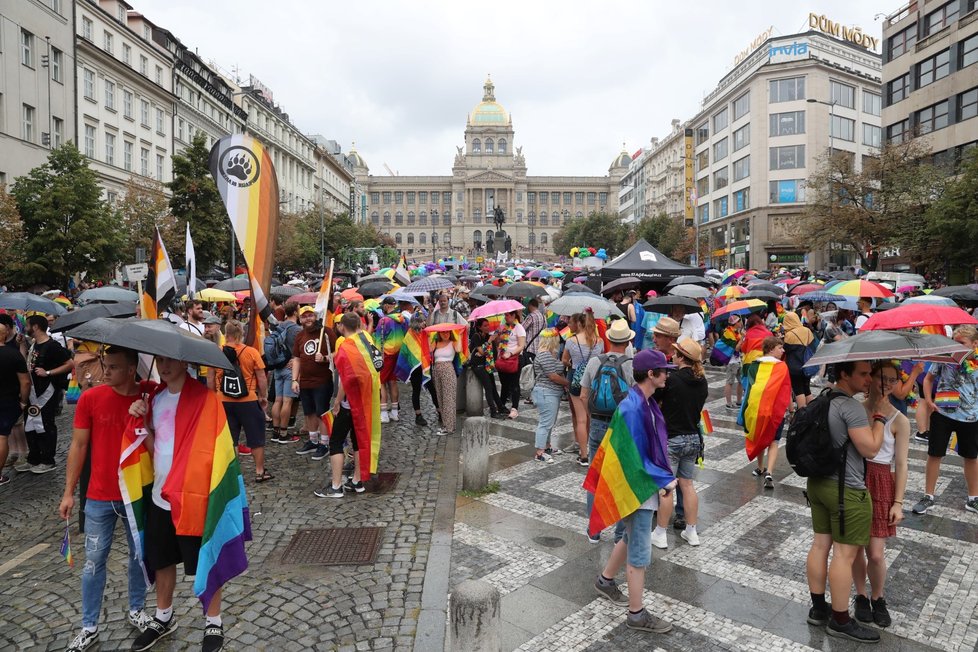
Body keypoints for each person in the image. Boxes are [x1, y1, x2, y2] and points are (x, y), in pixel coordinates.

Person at [128, 356, 250, 652]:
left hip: (196, 495)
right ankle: (163, 617)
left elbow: (219, 448)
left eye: (171, 361)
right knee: (162, 560)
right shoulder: (155, 398)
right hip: (161, 493)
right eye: (162, 361)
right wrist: (140, 421)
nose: (165, 366)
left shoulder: (206, 399)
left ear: (185, 362)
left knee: (206, 556)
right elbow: (156, 445)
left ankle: (213, 621)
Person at [60, 347, 152, 651]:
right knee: (93, 563)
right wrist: (68, 493)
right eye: (105, 365)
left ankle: (137, 609)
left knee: (139, 558)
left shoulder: (150, 396)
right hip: (99, 495)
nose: (105, 372)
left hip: (136, 493)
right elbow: (78, 446)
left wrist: (145, 410)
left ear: (130, 370)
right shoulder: (91, 398)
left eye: (112, 367)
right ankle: (89, 625)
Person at [588, 349, 678, 634]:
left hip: (641, 486)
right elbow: (633, 457)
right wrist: (663, 480)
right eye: (664, 370)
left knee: (628, 536)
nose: (668, 374)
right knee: (639, 554)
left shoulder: (643, 402)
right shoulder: (634, 407)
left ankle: (605, 580)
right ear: (651, 375)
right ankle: (636, 614)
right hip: (637, 490)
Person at [805, 360, 884, 644]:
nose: (868, 379)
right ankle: (840, 619)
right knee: (844, 555)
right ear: (844, 374)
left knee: (819, 545)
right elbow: (871, 449)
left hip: (817, 484)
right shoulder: (850, 407)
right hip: (846, 490)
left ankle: (818, 608)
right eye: (862, 374)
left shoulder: (823, 399)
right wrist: (880, 418)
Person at [851, 361, 910, 629]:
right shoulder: (855, 409)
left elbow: (901, 464)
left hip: (881, 480)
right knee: (853, 550)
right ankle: (860, 596)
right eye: (881, 378)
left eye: (892, 379)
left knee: (875, 552)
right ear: (871, 379)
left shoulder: (900, 420)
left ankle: (878, 597)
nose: (886, 383)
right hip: (855, 477)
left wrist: (898, 502)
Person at [914, 324, 978, 515]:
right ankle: (928, 496)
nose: (956, 346)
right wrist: (928, 400)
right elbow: (928, 379)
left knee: (971, 457)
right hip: (943, 413)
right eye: (954, 342)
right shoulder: (945, 357)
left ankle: (973, 498)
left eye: (962, 343)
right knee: (935, 454)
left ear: (975, 344)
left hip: (971, 416)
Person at [580, 319, 634, 542]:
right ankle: (620, 532)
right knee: (621, 478)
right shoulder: (633, 364)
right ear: (628, 340)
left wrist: (592, 417)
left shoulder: (594, 362)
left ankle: (594, 530)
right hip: (622, 426)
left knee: (596, 477)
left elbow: (583, 395)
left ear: (609, 339)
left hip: (599, 425)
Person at [316, 312, 380, 498]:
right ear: (360, 325)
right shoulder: (366, 342)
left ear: (342, 327)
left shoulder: (346, 348)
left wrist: (336, 402)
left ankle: (336, 487)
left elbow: (345, 379)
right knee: (359, 440)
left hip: (349, 403)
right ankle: (357, 481)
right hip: (365, 401)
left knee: (336, 441)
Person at [653, 337, 709, 549]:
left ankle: (660, 533)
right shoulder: (701, 381)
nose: (673, 355)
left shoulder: (672, 379)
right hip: (693, 438)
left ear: (681, 357)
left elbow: (657, 400)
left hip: (672, 438)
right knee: (687, 485)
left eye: (676, 353)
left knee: (667, 487)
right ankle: (691, 531)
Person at [214, 320, 271, 482]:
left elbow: (211, 379)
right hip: (248, 400)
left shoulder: (217, 352)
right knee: (256, 437)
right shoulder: (251, 352)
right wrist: (263, 396)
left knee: (231, 438)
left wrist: (214, 395)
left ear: (226, 333)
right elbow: (262, 378)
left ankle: (233, 473)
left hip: (224, 400)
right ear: (242, 334)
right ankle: (260, 471)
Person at [20, 314, 74, 474]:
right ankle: (34, 457)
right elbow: (27, 364)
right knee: (30, 425)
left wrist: (49, 372)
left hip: (46, 392)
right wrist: (22, 345)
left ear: (35, 327)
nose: (26, 328)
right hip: (32, 392)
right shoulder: (34, 344)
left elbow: (70, 364)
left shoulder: (52, 346)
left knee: (45, 425)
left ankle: (48, 460)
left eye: (28, 325)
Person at [742, 337, 791, 489]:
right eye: (780, 348)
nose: (783, 350)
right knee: (774, 441)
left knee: (760, 437)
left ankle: (761, 467)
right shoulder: (782, 367)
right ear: (771, 349)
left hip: (757, 409)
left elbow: (749, 389)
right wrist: (791, 409)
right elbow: (786, 391)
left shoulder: (754, 366)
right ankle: (769, 471)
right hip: (776, 412)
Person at [292, 306, 335, 459]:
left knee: (321, 413)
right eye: (304, 316)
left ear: (315, 316)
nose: (308, 319)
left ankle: (324, 444)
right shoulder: (299, 336)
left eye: (310, 316)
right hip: (305, 381)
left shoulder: (327, 332)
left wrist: (324, 358)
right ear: (300, 319)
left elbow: (336, 354)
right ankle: (313, 440)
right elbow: (296, 359)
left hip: (322, 380)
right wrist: (294, 379)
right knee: (309, 412)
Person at [563, 311, 604, 465]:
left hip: (576, 377)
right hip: (593, 380)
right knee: (590, 417)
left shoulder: (571, 340)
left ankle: (584, 455)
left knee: (580, 419)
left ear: (579, 324)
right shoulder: (598, 341)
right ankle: (593, 449)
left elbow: (565, 360)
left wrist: (574, 364)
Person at [530, 329, 570, 463]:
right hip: (546, 392)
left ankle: (547, 447)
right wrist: (568, 383)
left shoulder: (549, 354)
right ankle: (540, 453)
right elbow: (553, 376)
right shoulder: (545, 355)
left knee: (549, 422)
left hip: (550, 392)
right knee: (545, 423)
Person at [0, 319, 29, 485]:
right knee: (2, 437)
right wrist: (24, 401)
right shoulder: (13, 354)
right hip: (8, 400)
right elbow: (25, 382)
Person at [397, 314, 438, 427]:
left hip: (425, 365)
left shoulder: (425, 333)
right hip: (416, 368)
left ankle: (440, 411)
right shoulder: (410, 335)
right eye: (422, 322)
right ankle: (418, 415)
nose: (424, 323)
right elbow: (407, 351)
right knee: (416, 390)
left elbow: (430, 345)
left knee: (432, 389)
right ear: (417, 323)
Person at [269, 304, 301, 444]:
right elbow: (299, 350)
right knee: (287, 402)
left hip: (278, 366)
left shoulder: (279, 325)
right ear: (295, 312)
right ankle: (283, 433)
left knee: (278, 400)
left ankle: (275, 432)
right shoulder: (297, 329)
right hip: (290, 367)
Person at [376, 297, 407, 423]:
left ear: (388, 306)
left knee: (381, 382)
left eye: (383, 305)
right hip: (398, 353)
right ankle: (394, 412)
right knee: (393, 382)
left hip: (386, 354)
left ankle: (383, 414)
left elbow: (379, 339)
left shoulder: (384, 320)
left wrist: (377, 355)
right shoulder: (403, 319)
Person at [469, 318, 506, 419]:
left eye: (488, 325)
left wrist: (496, 339)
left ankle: (500, 407)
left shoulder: (488, 336)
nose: (487, 327)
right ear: (479, 327)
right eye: (485, 325)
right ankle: (493, 411)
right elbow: (482, 352)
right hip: (478, 366)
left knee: (493, 387)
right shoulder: (476, 337)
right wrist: (489, 341)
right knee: (488, 387)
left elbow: (492, 351)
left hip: (487, 365)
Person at [430, 327, 463, 435]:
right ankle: (447, 425)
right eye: (443, 332)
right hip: (437, 370)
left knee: (448, 398)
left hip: (448, 370)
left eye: (447, 332)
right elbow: (429, 350)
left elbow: (458, 350)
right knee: (440, 398)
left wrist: (460, 335)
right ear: (439, 333)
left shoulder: (453, 342)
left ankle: (449, 427)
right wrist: (428, 337)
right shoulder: (436, 342)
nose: (445, 334)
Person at [497, 310, 526, 419]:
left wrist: (511, 353)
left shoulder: (519, 328)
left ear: (514, 315)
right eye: (505, 314)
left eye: (508, 315)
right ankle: (502, 405)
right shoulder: (503, 326)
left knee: (514, 384)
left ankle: (515, 408)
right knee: (504, 383)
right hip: (503, 358)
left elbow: (521, 345)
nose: (506, 316)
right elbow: (499, 341)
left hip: (515, 358)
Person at [783, 311, 816, 408]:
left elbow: (786, 349)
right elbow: (813, 346)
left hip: (795, 366)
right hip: (808, 365)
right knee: (807, 389)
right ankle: (812, 411)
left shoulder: (789, 334)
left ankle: (801, 413)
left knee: (798, 390)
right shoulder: (807, 330)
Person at [522, 298, 547, 364]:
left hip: (531, 348)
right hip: (540, 348)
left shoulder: (531, 316)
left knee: (529, 370)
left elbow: (522, 329)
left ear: (530, 305)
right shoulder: (543, 317)